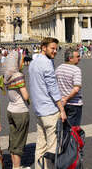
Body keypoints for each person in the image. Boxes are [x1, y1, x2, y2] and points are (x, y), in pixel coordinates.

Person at [29, 37, 66, 169]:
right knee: (52, 148)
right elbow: (53, 90)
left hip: (39, 110)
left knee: (40, 145)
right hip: (50, 111)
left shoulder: (33, 62)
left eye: (56, 49)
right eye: (52, 48)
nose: (55, 51)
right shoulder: (46, 64)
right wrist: (62, 109)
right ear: (43, 47)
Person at [2, 51, 31, 169]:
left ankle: (15, 165)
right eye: (22, 60)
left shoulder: (6, 75)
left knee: (13, 139)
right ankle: (17, 167)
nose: (23, 63)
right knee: (19, 142)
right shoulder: (18, 75)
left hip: (10, 109)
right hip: (20, 110)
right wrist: (29, 99)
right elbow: (25, 96)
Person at [55, 48, 83, 126]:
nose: (79, 58)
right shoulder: (76, 70)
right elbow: (76, 89)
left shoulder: (58, 68)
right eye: (77, 56)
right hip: (74, 104)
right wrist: (66, 99)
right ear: (70, 58)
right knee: (74, 130)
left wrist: (62, 99)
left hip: (62, 104)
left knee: (64, 129)